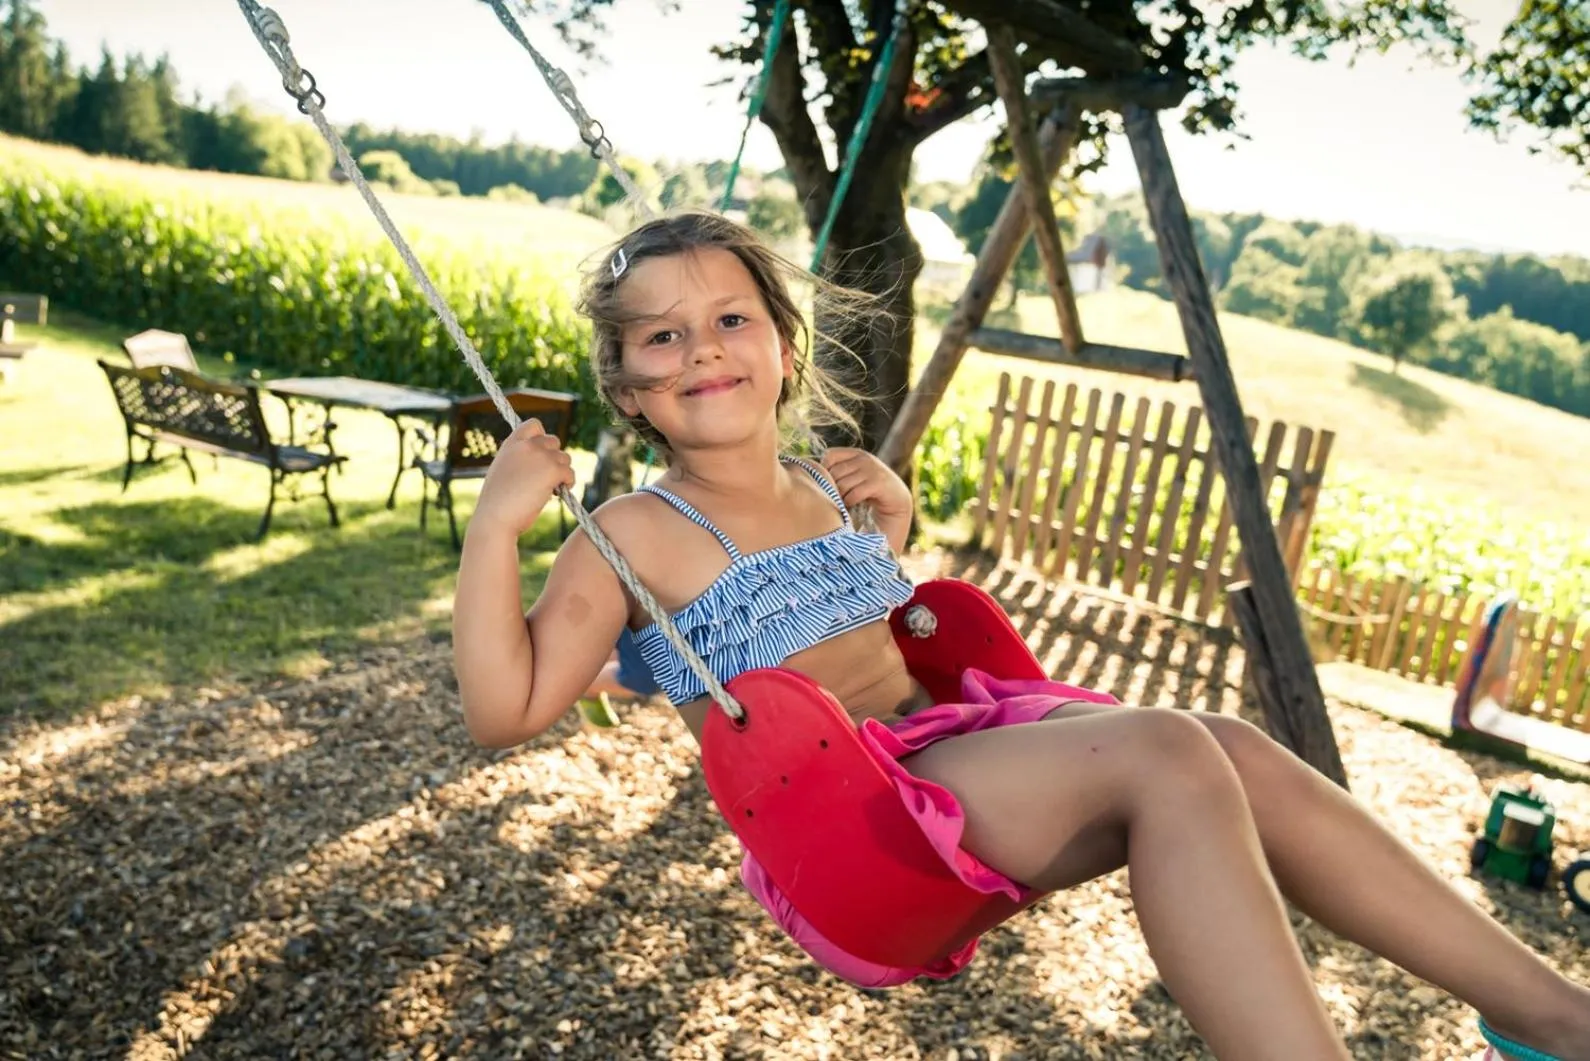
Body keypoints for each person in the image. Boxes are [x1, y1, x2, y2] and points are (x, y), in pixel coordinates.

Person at [450, 211, 1588, 1061]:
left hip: (954, 747)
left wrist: (885, 524)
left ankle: (1548, 1016)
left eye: (730, 318)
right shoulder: (633, 531)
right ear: (628, 386)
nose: (701, 349)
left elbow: (865, 625)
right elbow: (504, 709)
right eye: (661, 336)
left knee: (1224, 743)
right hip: (857, 827)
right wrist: (499, 527)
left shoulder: (825, 482)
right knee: (1170, 752)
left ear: (785, 348)